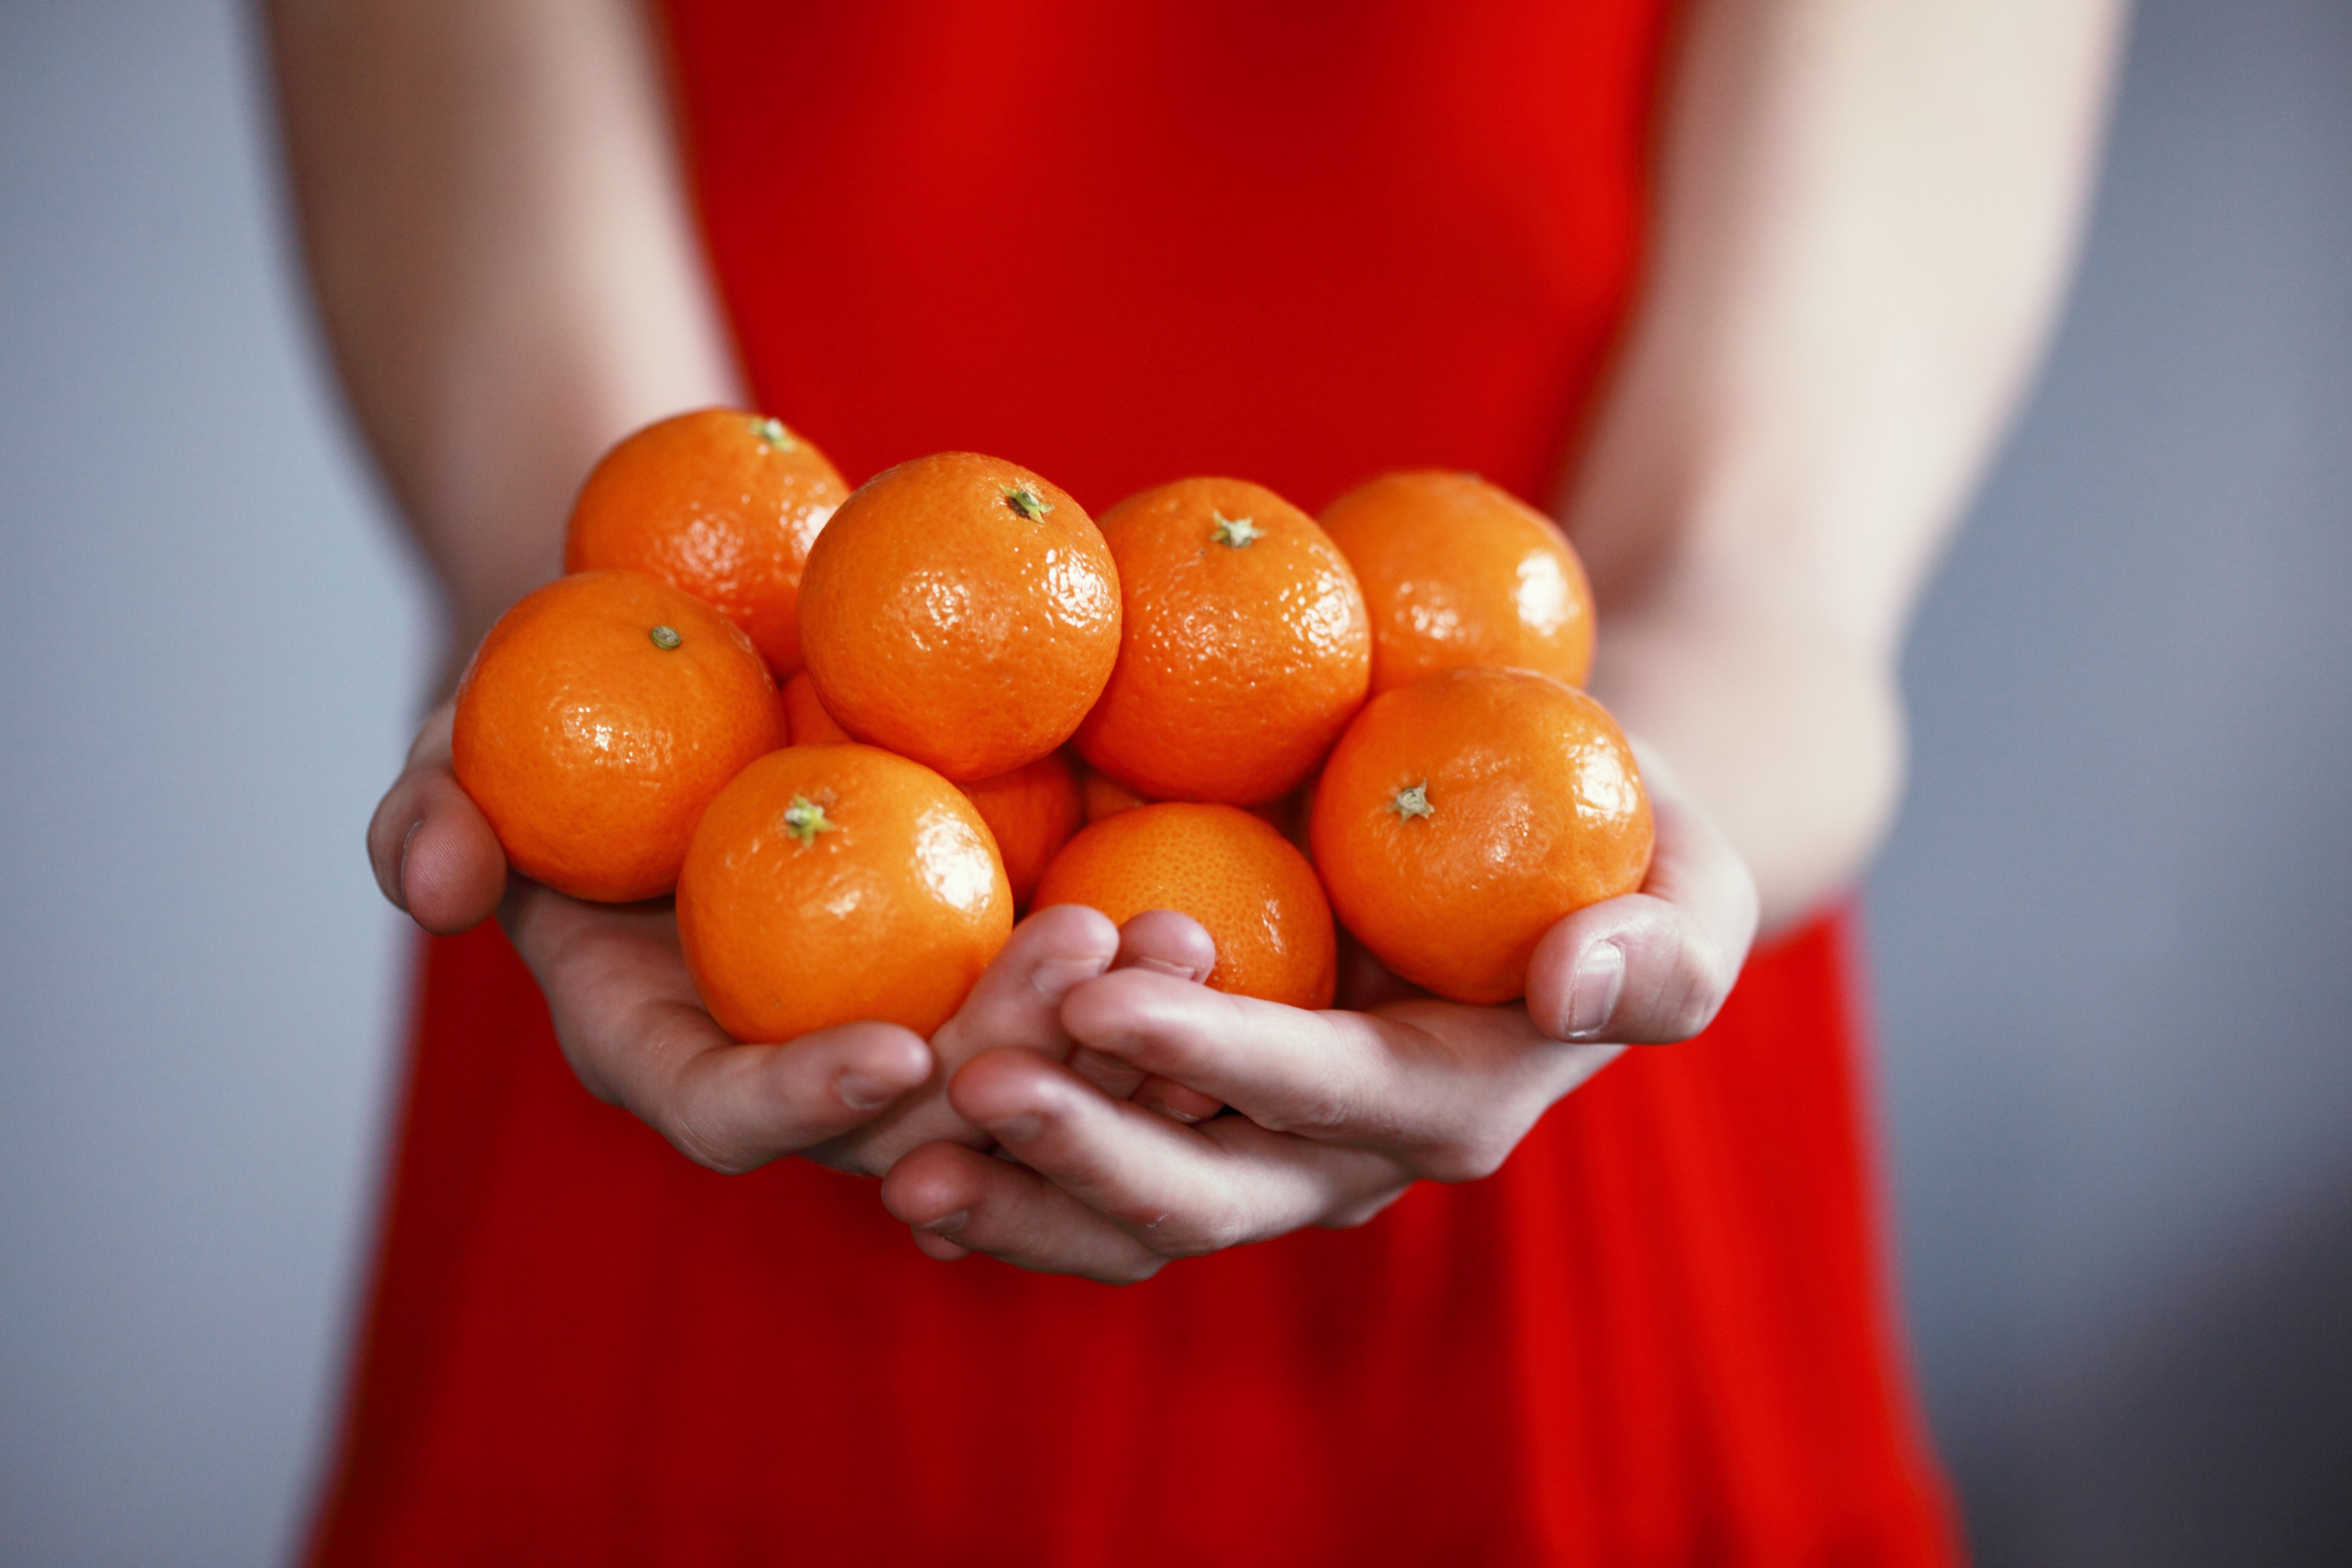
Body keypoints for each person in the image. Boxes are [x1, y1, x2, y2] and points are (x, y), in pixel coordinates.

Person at [272, 0, 2122, 1560]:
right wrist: (634, 768)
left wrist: (1618, 824)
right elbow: (622, 542)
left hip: (1527, 1077)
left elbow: (1758, 572)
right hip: (729, 1005)